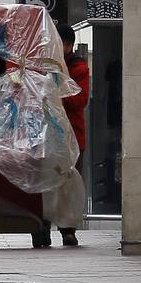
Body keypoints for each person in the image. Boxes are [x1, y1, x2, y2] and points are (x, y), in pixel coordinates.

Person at [57, 22, 90, 247]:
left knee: (69, 183)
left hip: (71, 136)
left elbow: (80, 100)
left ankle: (68, 229)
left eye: (64, 44)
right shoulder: (47, 67)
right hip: (49, 135)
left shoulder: (79, 69)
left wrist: (56, 92)